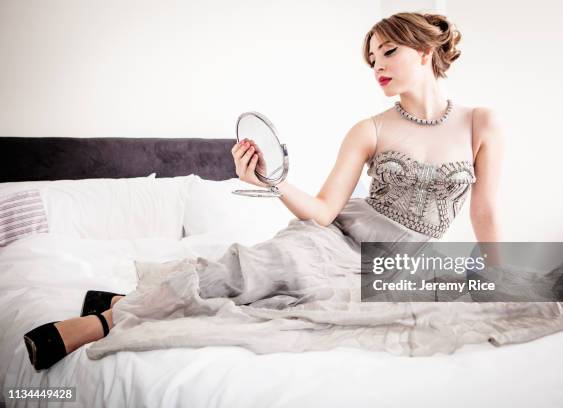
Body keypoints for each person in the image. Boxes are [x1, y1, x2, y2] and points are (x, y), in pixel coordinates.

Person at [23, 11, 504, 370]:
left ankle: (121, 298)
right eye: (371, 58)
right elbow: (323, 210)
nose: (377, 64)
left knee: (285, 304)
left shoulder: (481, 122)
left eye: (388, 52)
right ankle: (105, 320)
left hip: (405, 265)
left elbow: (485, 211)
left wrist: (499, 275)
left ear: (424, 51)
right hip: (338, 239)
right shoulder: (370, 129)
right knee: (267, 268)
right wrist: (273, 183)